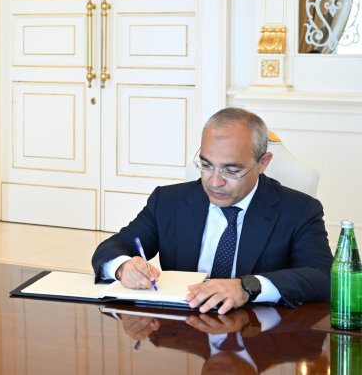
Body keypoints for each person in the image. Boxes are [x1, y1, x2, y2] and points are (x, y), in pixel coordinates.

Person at [91, 107, 332, 312]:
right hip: (183, 332)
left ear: (263, 163)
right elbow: (112, 248)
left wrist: (247, 287)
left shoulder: (299, 210)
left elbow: (323, 276)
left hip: (257, 330)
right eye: (206, 165)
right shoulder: (168, 201)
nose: (215, 182)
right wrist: (122, 267)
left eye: (231, 171)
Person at [112, 305, 328, 374]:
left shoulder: (163, 336)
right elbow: (318, 298)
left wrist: (125, 317)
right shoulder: (301, 347)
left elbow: (122, 308)